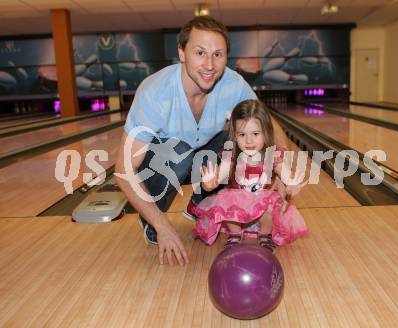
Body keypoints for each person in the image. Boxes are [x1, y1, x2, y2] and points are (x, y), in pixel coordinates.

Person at [115, 16, 290, 266]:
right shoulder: (155, 93)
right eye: (200, 52)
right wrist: (162, 224)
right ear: (182, 53)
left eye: (218, 54)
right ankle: (152, 220)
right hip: (165, 168)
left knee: (241, 137)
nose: (209, 64)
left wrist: (282, 170)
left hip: (207, 169)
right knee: (178, 151)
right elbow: (123, 169)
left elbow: (269, 124)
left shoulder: (233, 84)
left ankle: (200, 202)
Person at [192, 99, 309, 253]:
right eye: (242, 134)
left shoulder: (272, 156)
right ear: (234, 136)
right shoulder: (231, 158)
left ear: (266, 133)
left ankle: (265, 235)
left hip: (263, 214)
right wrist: (209, 183)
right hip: (239, 215)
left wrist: (291, 183)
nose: (249, 141)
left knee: (272, 203)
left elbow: (284, 173)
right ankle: (235, 235)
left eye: (255, 134)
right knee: (224, 199)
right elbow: (218, 177)